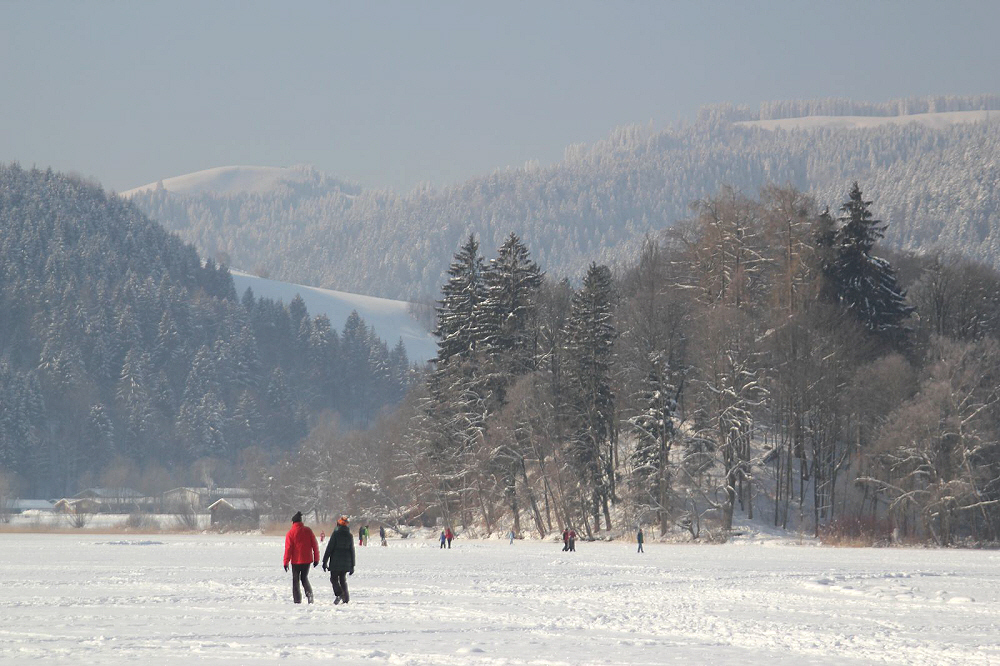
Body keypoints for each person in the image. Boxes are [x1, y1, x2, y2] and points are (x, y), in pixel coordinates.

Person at [283, 511, 319, 604]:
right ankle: (309, 594)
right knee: (304, 578)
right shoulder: (308, 530)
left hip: (296, 561)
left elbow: (288, 549)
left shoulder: (290, 533)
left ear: (293, 522)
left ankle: (297, 600)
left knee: (296, 580)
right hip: (307, 560)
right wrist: (316, 559)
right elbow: (315, 545)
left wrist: (286, 562)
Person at [322, 516, 355, 605]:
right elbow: (352, 550)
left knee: (333, 579)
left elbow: (329, 548)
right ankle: (346, 599)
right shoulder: (349, 535)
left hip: (336, 561)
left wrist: (324, 561)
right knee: (342, 580)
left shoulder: (336, 534)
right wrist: (352, 565)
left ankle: (339, 594)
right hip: (346, 562)